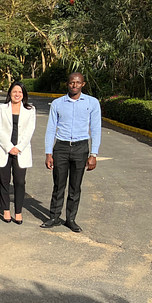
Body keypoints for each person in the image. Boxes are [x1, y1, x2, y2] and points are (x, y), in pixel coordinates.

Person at [41, 72, 101, 233]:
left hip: (81, 148)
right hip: (61, 147)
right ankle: (54, 217)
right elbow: (51, 129)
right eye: (72, 83)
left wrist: (93, 154)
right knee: (58, 185)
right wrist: (48, 153)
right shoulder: (57, 103)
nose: (74, 85)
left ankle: (71, 219)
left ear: (83, 84)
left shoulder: (92, 103)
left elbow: (95, 129)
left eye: (78, 83)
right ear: (67, 84)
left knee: (75, 186)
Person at [0, 81, 36, 224]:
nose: (17, 94)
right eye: (15, 91)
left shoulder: (30, 109)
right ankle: (6, 210)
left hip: (21, 151)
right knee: (4, 181)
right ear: (10, 93)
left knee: (20, 182)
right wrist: (9, 147)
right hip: (4, 149)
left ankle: (18, 211)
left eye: (20, 92)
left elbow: (30, 130)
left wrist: (18, 147)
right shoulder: (2, 108)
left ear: (24, 95)